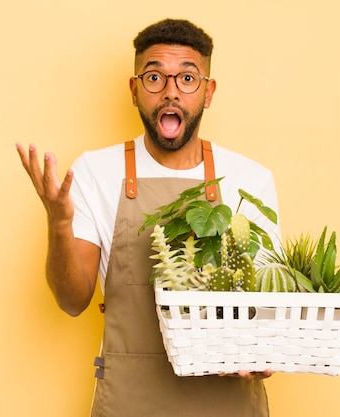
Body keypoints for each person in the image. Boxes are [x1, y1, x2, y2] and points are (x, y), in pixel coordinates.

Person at [16, 18, 281, 417]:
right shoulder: (94, 172)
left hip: (228, 405)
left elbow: (268, 306)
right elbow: (72, 301)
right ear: (135, 89)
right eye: (155, 77)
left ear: (208, 92)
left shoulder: (250, 180)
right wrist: (59, 225)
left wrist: (262, 351)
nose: (171, 92)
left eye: (187, 78)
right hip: (129, 403)